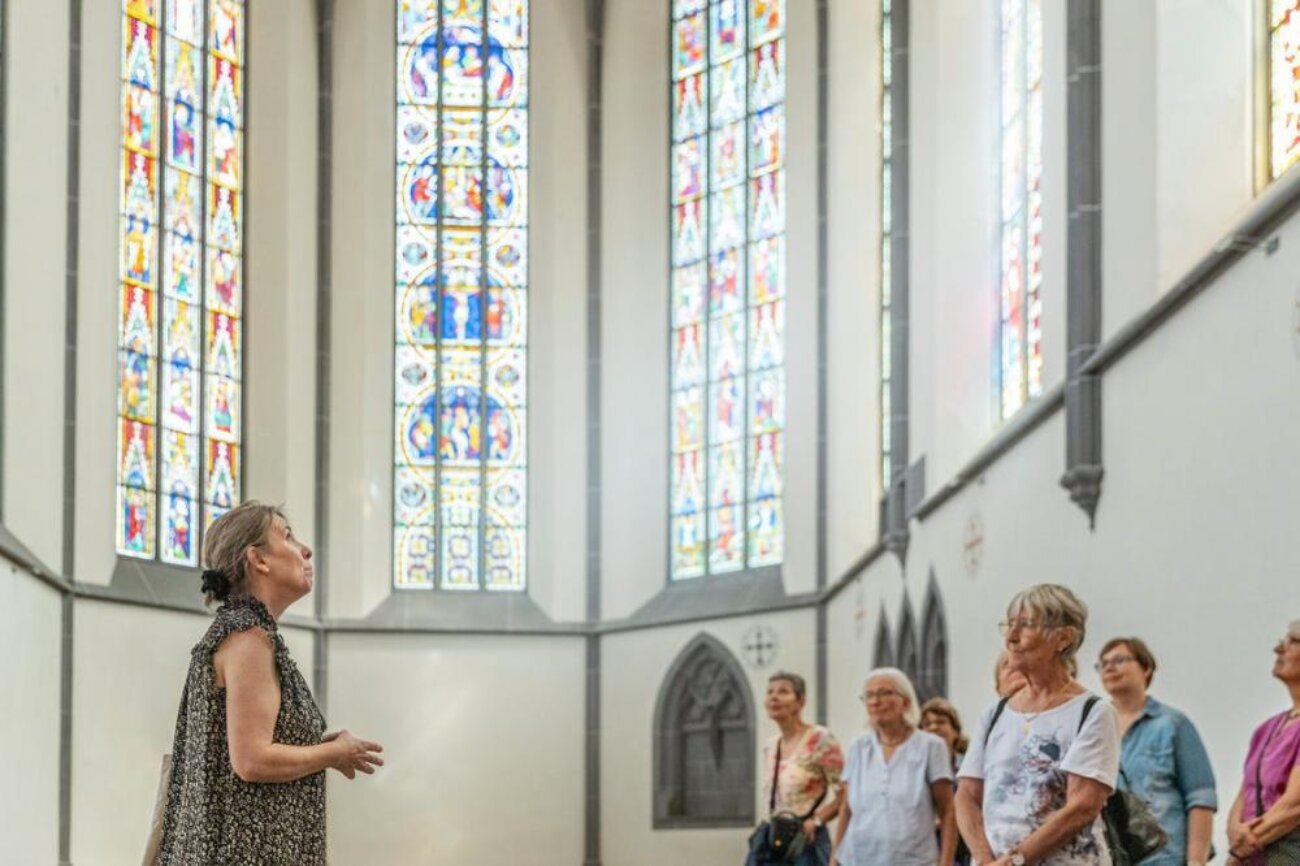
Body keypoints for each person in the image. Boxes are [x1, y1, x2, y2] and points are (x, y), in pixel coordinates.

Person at [156, 502, 384, 865]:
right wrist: (334, 753)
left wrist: (318, 747)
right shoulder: (248, 636)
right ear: (258, 560)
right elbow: (251, 760)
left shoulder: (243, 631)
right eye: (288, 536)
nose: (305, 549)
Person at [956, 584, 1119, 866]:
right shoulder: (995, 713)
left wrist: (1015, 860)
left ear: (1064, 638)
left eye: (1026, 625)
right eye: (1008, 625)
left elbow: (1082, 807)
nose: (1010, 637)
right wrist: (983, 859)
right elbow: (967, 796)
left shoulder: (1093, 712)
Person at [1096, 637, 1216, 866]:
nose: (1110, 667)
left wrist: (1196, 862)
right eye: (1103, 664)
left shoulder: (1173, 724)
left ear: (1146, 668)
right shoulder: (1094, 727)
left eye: (1120, 660)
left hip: (1165, 856)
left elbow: (1201, 798)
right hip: (1111, 856)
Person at [831, 669, 956, 866]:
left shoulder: (931, 747)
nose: (875, 701)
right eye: (869, 695)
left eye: (884, 693)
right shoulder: (858, 748)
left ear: (905, 702)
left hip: (915, 861)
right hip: (857, 859)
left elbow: (948, 811)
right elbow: (847, 810)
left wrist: (945, 863)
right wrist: (833, 860)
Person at [748, 671, 844, 866]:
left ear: (800, 701)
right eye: (770, 692)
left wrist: (817, 820)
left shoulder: (820, 739)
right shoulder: (771, 745)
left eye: (783, 691)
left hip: (805, 840)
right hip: (770, 837)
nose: (774, 697)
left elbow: (846, 794)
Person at [1226, 620, 1300, 865]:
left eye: (1292, 642)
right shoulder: (1265, 730)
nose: (1279, 649)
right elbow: (1245, 793)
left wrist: (1238, 852)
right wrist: (1234, 829)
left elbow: (1294, 804)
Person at [923, 697, 973, 866]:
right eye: (926, 724)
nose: (933, 727)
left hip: (964, 847)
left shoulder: (969, 767)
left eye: (941, 722)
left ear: (955, 731)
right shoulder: (915, 770)